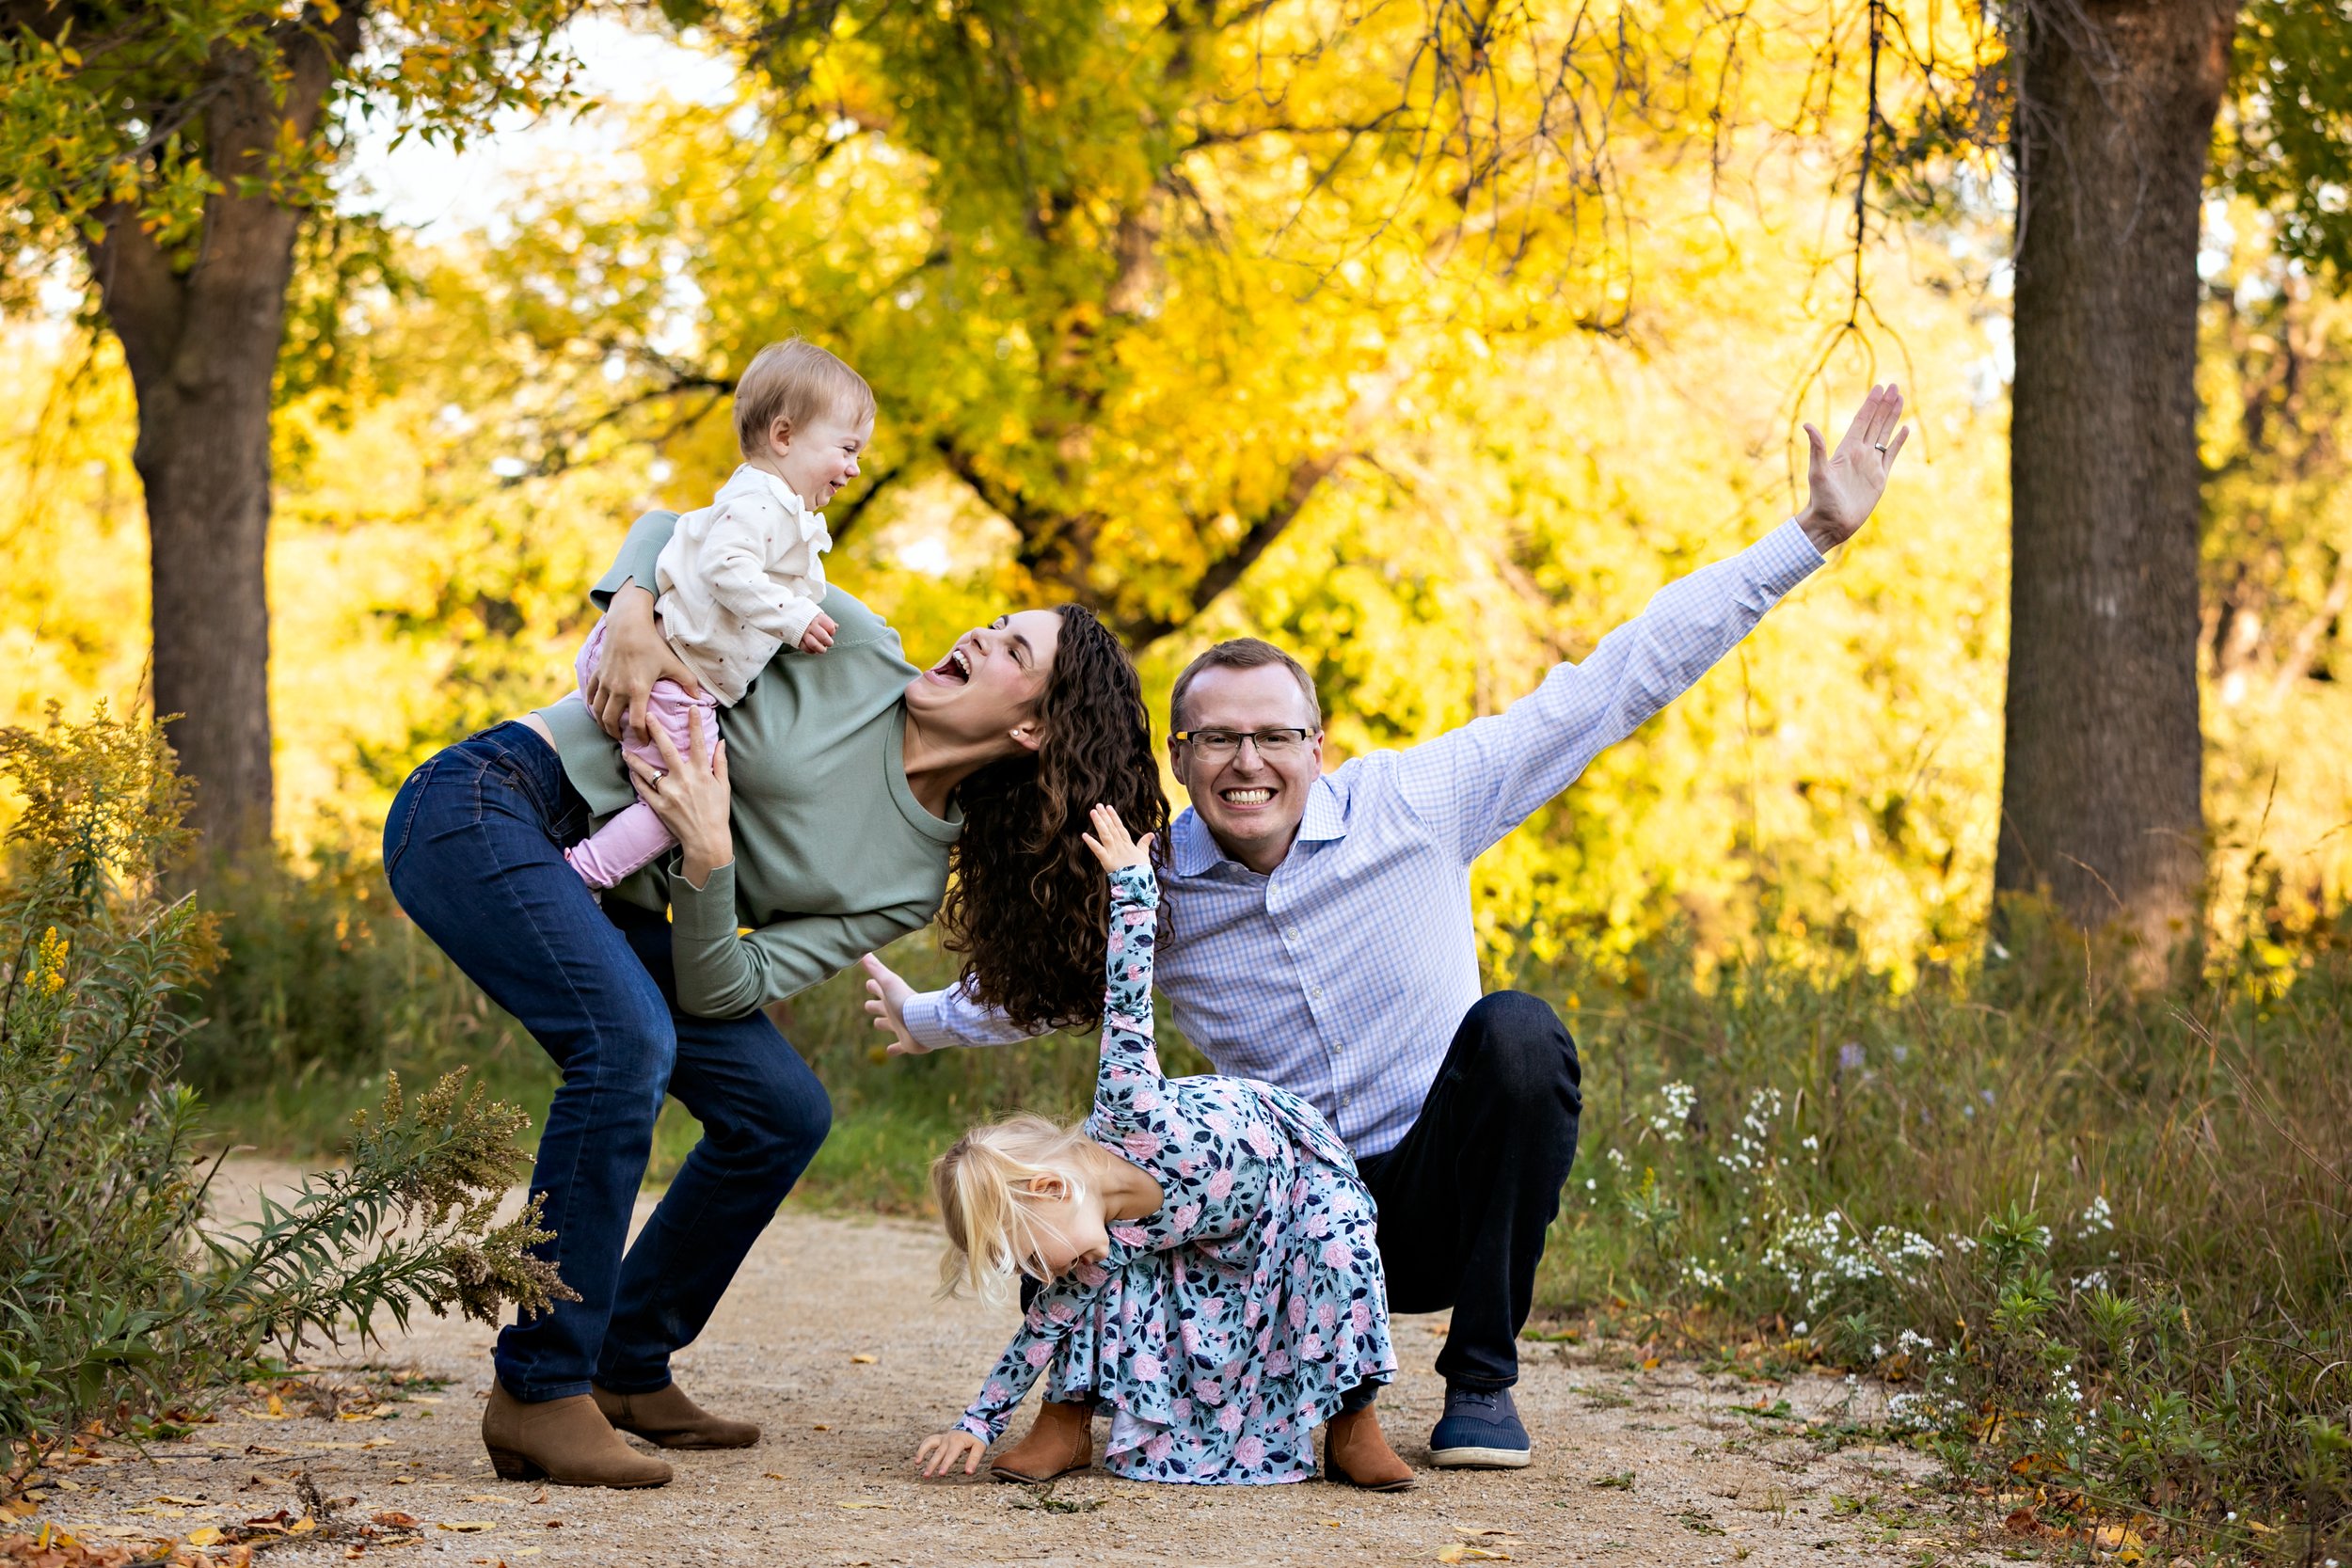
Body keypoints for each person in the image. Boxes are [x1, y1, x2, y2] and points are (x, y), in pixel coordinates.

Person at [866, 386, 1913, 1474]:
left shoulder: (1420, 800)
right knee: (1071, 1164)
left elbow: (1616, 680)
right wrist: (924, 1016)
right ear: (1178, 757)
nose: (1246, 762)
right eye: (1215, 739)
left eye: (1274, 734)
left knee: (1519, 1032)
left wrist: (1812, 537)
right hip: (1274, 1232)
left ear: (1319, 744)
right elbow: (1054, 982)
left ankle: (1481, 1380)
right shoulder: (1158, 878)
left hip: (1430, 1206)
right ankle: (1078, 1407)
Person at [385, 463, 1168, 1485]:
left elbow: (725, 986)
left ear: (1032, 728)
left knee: (781, 1106)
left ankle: (625, 1362)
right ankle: (539, 1385)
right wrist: (627, 611)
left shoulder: (902, 877)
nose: (979, 634)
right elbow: (692, 533)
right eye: (995, 621)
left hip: (617, 899)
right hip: (499, 801)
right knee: (623, 1041)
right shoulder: (852, 644)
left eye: (1013, 648)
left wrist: (709, 864)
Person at [915, 807, 1407, 1489]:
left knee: (1338, 1238)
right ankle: (1065, 1422)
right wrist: (975, 1421)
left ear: (1051, 1189)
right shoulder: (1102, 1240)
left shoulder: (1128, 1107)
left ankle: (1355, 1421)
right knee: (1086, 1292)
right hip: (1209, 1235)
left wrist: (1132, 884)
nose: (1036, 1268)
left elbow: (1127, 999)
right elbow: (1037, 1332)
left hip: (1293, 1186)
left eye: (1028, 1250)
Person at [564, 339, 862, 889]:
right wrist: (792, 618)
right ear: (784, 435)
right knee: (685, 805)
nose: (854, 468)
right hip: (674, 679)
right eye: (846, 448)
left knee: (646, 782)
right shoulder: (761, 503)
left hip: (658, 663)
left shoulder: (766, 503)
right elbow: (726, 567)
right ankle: (581, 874)